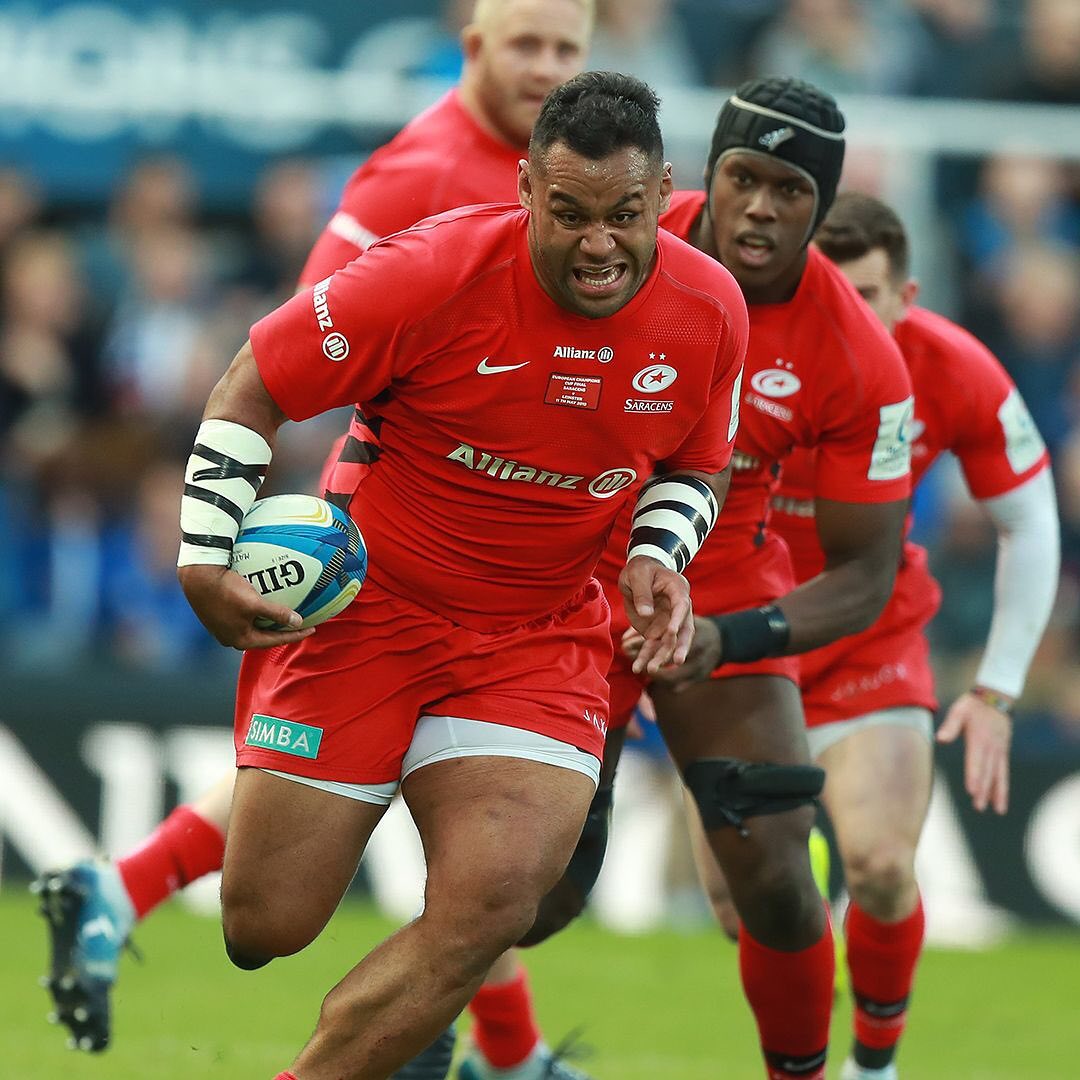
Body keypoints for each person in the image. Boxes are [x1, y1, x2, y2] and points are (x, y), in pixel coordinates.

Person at [34, 2, 594, 1071]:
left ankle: (125, 887)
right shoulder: (415, 176)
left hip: (545, 534)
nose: (548, 66)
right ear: (472, 46)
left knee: (466, 817)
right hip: (408, 532)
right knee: (440, 807)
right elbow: (305, 330)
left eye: (569, 48)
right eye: (528, 43)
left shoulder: (580, 181)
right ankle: (506, 1057)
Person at [190, 72, 748, 1080]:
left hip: (539, 634)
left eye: (628, 215)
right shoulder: (428, 272)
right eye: (571, 213)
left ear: (665, 191)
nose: (600, 244)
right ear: (526, 185)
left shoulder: (711, 310)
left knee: (491, 907)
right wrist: (201, 556)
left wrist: (659, 556)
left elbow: (698, 462)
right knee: (260, 924)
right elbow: (253, 386)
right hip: (370, 610)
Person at [477, 76, 915, 1080]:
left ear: (823, 203)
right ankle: (464, 1053)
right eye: (742, 178)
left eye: (792, 190)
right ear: (703, 177)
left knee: (775, 881)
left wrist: (735, 638)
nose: (761, 206)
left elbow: (866, 572)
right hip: (569, 588)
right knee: (525, 897)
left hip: (720, 599)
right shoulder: (613, 239)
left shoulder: (858, 356)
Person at [770, 192, 1057, 1080]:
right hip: (749, 645)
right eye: (831, 292)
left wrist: (998, 687)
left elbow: (1032, 521)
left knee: (886, 865)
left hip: (872, 639)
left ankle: (874, 1066)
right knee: (756, 908)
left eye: (868, 295)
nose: (847, 315)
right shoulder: (745, 342)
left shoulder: (954, 368)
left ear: (909, 295)